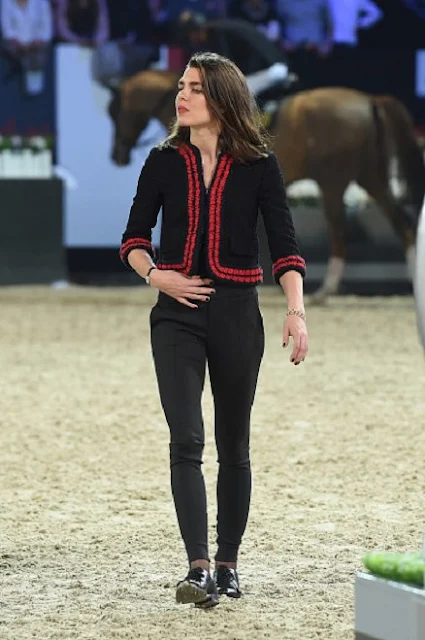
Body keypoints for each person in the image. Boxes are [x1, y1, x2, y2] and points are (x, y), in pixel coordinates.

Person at [119, 51, 308, 608]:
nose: (182, 95)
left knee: (235, 445)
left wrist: (295, 312)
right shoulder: (161, 160)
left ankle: (228, 565)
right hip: (174, 316)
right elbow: (133, 238)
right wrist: (159, 278)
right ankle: (197, 566)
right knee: (186, 439)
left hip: (236, 314)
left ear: (222, 98)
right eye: (182, 85)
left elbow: (287, 248)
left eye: (195, 87)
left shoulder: (259, 165)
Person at [175, 12, 293, 109]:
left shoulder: (217, 34)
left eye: (189, 36)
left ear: (195, 32)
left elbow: (226, 72)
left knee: (234, 97)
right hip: (272, 66)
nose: (191, 41)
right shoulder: (221, 28)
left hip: (272, 68)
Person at [0, 0, 53, 95]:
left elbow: (46, 27)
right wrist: (18, 43)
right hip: (15, 44)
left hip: (36, 44)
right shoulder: (5, 1)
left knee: (38, 56)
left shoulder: (42, 2)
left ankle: (35, 87)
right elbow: (6, 26)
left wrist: (37, 42)